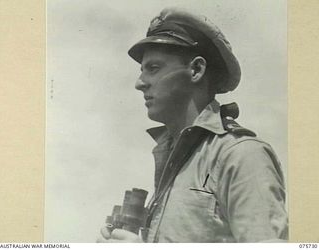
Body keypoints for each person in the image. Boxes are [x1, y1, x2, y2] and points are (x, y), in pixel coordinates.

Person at [97, 7, 288, 243]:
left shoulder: (241, 155)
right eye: (142, 70)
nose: (140, 83)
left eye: (153, 68)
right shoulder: (179, 157)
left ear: (196, 70)